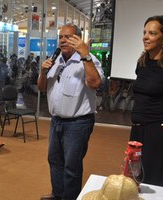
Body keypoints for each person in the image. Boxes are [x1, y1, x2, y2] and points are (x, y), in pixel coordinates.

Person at [37, 23, 104, 200]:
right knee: (54, 161)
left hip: (78, 123)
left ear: (78, 39)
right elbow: (42, 88)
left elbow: (95, 83)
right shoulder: (55, 60)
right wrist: (43, 72)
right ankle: (58, 194)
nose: (63, 40)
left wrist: (85, 55)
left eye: (68, 36)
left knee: (71, 166)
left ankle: (70, 198)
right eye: (60, 37)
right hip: (56, 121)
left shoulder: (89, 60)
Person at [130, 15, 163, 188]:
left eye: (152, 33)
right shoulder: (142, 62)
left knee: (156, 185)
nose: (145, 37)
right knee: (136, 182)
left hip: (160, 133)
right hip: (137, 131)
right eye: (144, 32)